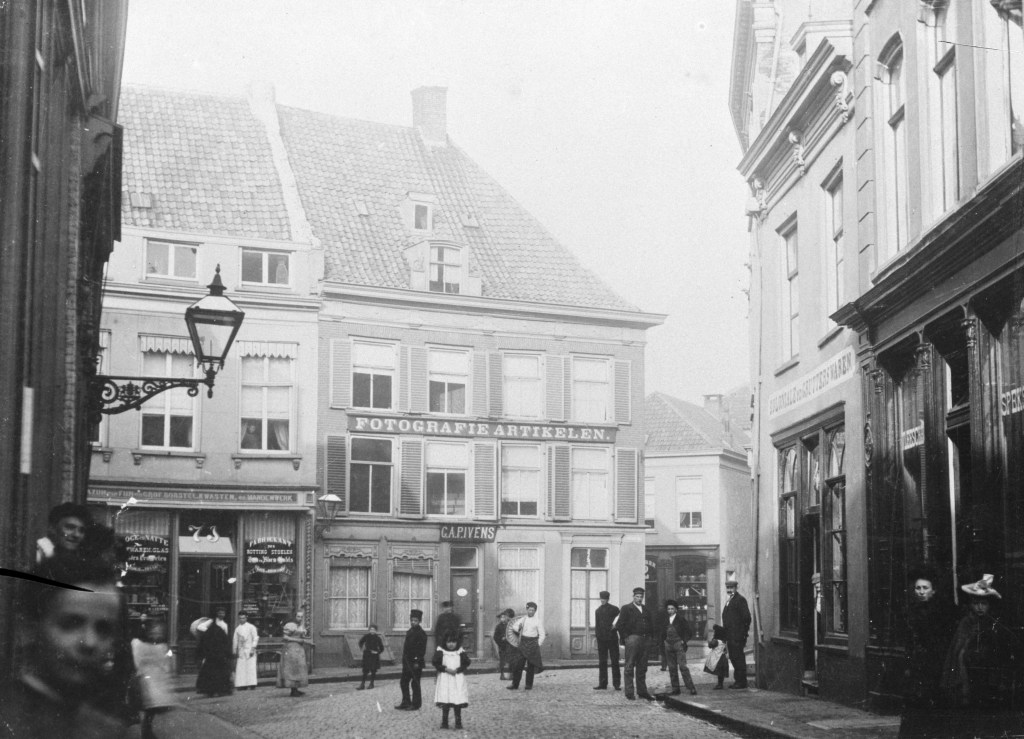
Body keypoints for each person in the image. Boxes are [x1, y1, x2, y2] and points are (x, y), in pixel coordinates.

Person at [0, 561, 130, 738]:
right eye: (70, 624)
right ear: (29, 628)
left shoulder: (108, 731)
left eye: (103, 629)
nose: (90, 643)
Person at [940, 574, 1019, 709]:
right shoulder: (967, 622)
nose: (980, 607)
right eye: (976, 604)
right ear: (971, 605)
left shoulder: (993, 622)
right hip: (969, 666)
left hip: (989, 666)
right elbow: (959, 647)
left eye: (984, 604)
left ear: (989, 605)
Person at [903, 571, 956, 708]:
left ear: (933, 591)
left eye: (925, 588)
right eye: (918, 588)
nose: (921, 592)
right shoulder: (910, 612)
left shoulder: (942, 613)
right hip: (917, 665)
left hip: (936, 664)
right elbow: (909, 641)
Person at [130, 619, 176, 739]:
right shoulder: (138, 644)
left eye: (158, 632)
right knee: (147, 706)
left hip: (156, 679)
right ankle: (146, 731)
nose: (156, 634)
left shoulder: (161, 646)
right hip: (146, 678)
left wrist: (166, 673)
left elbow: (165, 662)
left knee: (152, 708)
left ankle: (147, 729)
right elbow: (137, 661)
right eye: (154, 632)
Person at [614, 586, 656, 701]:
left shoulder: (646, 609)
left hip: (645, 640)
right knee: (629, 666)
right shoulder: (626, 608)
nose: (639, 599)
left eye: (641, 596)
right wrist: (626, 638)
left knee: (642, 667)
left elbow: (651, 625)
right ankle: (629, 692)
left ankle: (642, 691)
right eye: (637, 596)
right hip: (633, 639)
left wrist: (651, 638)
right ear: (633, 597)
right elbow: (619, 625)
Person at [432, 631, 471, 730]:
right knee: (446, 700)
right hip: (445, 678)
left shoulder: (460, 652)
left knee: (457, 700)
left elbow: (466, 663)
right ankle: (444, 722)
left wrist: (458, 670)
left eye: (453, 642)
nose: (451, 644)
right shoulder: (441, 651)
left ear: (457, 642)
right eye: (449, 642)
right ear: (445, 642)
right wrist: (445, 669)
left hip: (457, 679)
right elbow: (435, 662)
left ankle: (458, 722)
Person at [658, 599, 696, 696]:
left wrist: (684, 640)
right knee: (672, 667)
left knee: (683, 666)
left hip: (678, 644)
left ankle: (691, 687)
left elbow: (689, 632)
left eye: (672, 609)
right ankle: (675, 689)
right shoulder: (665, 620)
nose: (670, 610)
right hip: (668, 645)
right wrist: (663, 642)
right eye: (668, 609)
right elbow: (661, 633)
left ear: (676, 610)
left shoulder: (681, 619)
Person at [507, 601, 545, 691]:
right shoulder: (523, 619)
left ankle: (528, 685)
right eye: (529, 610)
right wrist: (518, 627)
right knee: (518, 665)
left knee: (530, 666)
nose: (531, 612)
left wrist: (537, 644)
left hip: (532, 644)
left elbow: (542, 634)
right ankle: (515, 684)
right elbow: (514, 627)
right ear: (527, 610)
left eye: (533, 610)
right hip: (523, 643)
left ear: (535, 611)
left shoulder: (537, 621)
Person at [196, 607, 233, 696]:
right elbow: (200, 627)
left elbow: (225, 637)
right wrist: (210, 633)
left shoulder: (224, 624)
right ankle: (210, 690)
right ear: (217, 613)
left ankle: (221, 690)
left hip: (220, 649)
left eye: (223, 613)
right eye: (220, 613)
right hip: (212, 649)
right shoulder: (211, 622)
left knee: (221, 671)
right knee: (210, 670)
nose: (221, 615)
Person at [722, 577, 751, 689]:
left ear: (736, 588)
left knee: (738, 658)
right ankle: (738, 681)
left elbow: (747, 618)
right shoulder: (730, 599)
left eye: (731, 587)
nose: (729, 590)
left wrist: (742, 633)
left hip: (737, 636)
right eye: (728, 587)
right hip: (731, 636)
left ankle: (741, 682)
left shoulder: (740, 600)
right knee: (734, 658)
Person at [395, 608, 427, 710]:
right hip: (407, 662)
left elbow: (421, 650)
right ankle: (406, 702)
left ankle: (416, 704)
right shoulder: (410, 631)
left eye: (416, 621)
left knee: (415, 683)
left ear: (420, 621)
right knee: (403, 682)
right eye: (412, 620)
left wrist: (417, 661)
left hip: (415, 663)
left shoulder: (421, 634)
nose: (413, 622)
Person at [277, 610, 312, 697]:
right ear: (294, 617)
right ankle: (293, 690)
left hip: (299, 649)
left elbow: (302, 636)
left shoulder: (301, 626)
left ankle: (296, 689)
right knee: (292, 669)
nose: (300, 618)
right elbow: (285, 637)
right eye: (298, 616)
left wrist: (304, 637)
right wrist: (298, 640)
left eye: (301, 617)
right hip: (291, 648)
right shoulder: (289, 625)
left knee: (298, 668)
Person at [593, 590, 621, 690]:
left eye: (604, 599)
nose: (603, 601)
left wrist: (616, 627)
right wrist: (598, 636)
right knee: (602, 662)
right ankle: (603, 684)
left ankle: (616, 684)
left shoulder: (615, 609)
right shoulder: (598, 611)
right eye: (601, 599)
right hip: (602, 639)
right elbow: (597, 625)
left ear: (608, 599)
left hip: (612, 639)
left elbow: (620, 620)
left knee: (615, 661)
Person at [233, 611, 260, 691]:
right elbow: (235, 640)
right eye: (240, 618)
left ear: (246, 618)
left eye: (243, 618)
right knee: (241, 667)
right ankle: (241, 684)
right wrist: (235, 650)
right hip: (241, 650)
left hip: (249, 648)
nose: (242, 620)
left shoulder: (251, 627)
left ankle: (251, 683)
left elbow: (255, 638)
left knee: (250, 667)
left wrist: (253, 648)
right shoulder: (237, 629)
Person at [357, 624, 384, 690]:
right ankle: (362, 684)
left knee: (373, 670)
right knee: (365, 670)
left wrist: (377, 652)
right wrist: (362, 648)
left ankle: (371, 683)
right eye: (371, 629)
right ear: (369, 630)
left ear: (376, 631)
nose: (372, 631)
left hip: (374, 656)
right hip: (367, 655)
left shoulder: (378, 638)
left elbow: (382, 648)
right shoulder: (366, 636)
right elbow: (360, 642)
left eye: (374, 630)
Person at [493, 609, 514, 680]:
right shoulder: (498, 626)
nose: (503, 619)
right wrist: (501, 640)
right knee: (502, 660)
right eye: (501, 617)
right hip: (502, 646)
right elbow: (495, 636)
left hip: (510, 645)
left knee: (511, 660)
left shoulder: (509, 625)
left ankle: (511, 674)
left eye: (504, 617)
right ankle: (502, 674)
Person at [706, 624, 730, 689]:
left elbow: (710, 645)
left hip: (718, 658)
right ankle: (720, 684)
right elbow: (725, 649)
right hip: (723, 658)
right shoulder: (723, 641)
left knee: (719, 672)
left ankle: (719, 685)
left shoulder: (716, 641)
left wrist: (709, 642)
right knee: (721, 673)